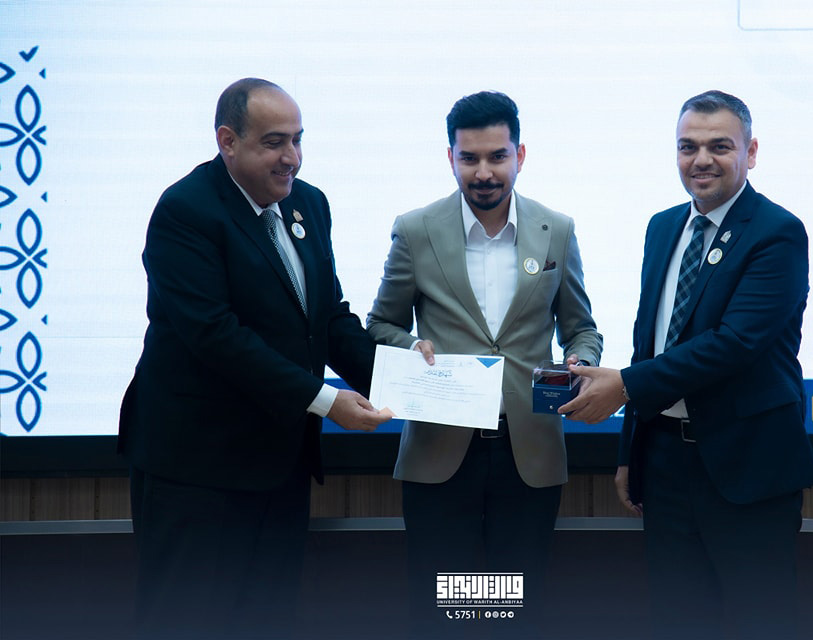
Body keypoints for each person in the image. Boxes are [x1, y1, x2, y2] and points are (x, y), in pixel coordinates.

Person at [118, 78, 390, 640]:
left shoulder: (308, 203)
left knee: (268, 620)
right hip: (197, 469)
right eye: (273, 142)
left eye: (297, 139)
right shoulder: (185, 211)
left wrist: (407, 380)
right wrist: (325, 401)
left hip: (278, 463)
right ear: (228, 141)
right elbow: (216, 336)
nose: (291, 157)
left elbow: (327, 319)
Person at [559, 90, 813, 640]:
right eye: (688, 147)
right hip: (665, 467)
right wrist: (630, 451)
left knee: (761, 624)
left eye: (719, 146)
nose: (701, 159)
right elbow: (649, 343)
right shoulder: (662, 227)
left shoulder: (777, 231)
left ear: (751, 153)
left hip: (748, 469)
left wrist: (625, 387)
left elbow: (734, 343)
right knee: (676, 622)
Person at [366, 90, 602, 638]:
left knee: (515, 608)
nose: (484, 173)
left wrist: (580, 360)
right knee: (442, 608)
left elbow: (582, 328)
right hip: (439, 450)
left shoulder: (556, 229)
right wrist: (409, 347)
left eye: (498, 156)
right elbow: (380, 325)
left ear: (521, 155)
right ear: (450, 157)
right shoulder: (416, 230)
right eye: (469, 158)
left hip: (528, 451)